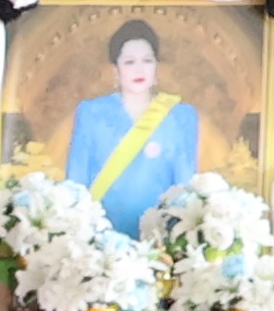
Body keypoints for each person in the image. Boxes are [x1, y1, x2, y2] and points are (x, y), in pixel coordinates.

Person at [61, 20, 203, 230]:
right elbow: (76, 183)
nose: (139, 69)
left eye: (147, 60)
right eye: (129, 62)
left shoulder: (181, 116)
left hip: (160, 236)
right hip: (101, 234)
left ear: (156, 68)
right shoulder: (91, 113)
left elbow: (185, 188)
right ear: (116, 70)